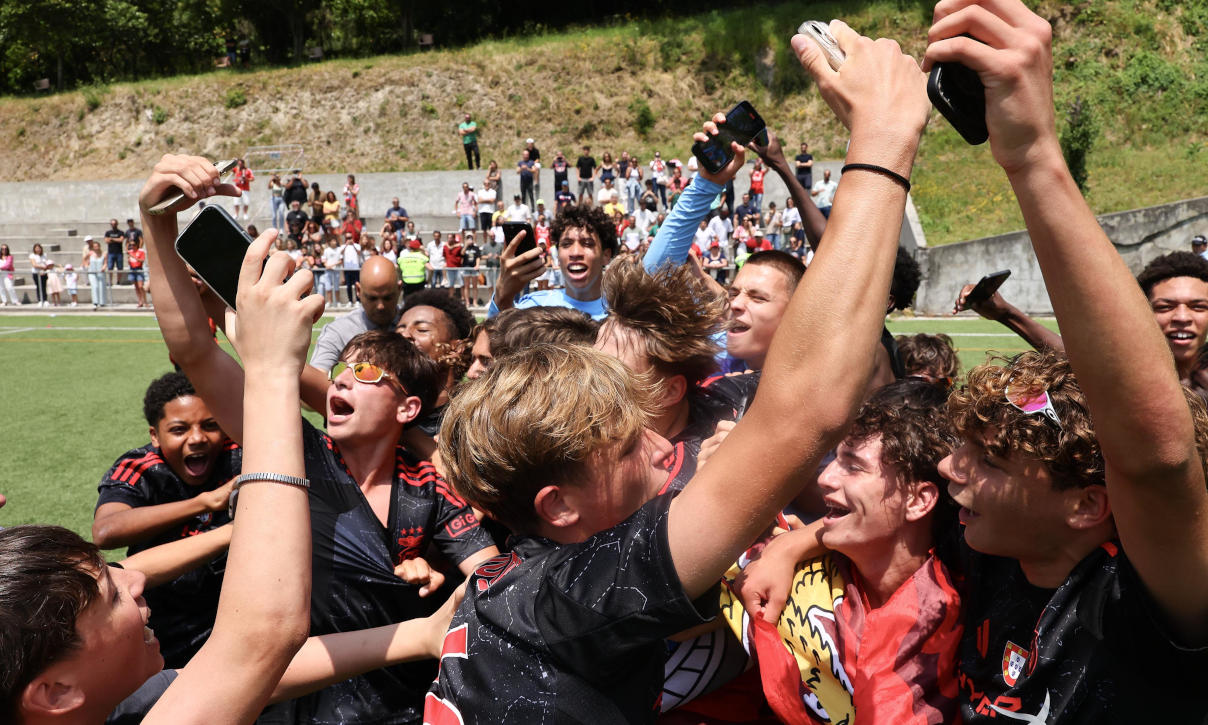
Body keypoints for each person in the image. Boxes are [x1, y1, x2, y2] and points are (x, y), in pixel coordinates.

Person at [425, 32, 932, 718]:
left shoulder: (502, 580)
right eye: (627, 441)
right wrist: (884, 140)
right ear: (559, 506)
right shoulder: (581, 592)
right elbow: (810, 405)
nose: (664, 449)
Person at [918, 1, 1208, 720]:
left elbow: (1156, 460)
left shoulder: (1141, 608)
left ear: (1087, 504)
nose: (951, 468)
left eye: (988, 459)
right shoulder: (983, 548)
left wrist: (1034, 157)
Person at [139, 155, 498, 725]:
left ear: (409, 407)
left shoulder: (431, 486)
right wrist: (156, 224)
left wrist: (447, 576)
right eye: (342, 371)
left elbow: (492, 571)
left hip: (406, 705)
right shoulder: (295, 452)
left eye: (370, 375)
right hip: (294, 704)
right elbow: (195, 352)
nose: (344, 381)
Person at [0, 208, 319, 724]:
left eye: (209, 425)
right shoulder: (139, 469)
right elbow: (260, 636)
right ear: (55, 693)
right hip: (182, 634)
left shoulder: (130, 699)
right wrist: (271, 369)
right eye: (110, 592)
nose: (135, 579)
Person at [92, 373, 241, 668]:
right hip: (164, 622)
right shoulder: (140, 467)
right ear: (155, 435)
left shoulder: (239, 456)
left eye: (210, 425)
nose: (197, 438)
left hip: (236, 615)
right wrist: (204, 502)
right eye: (179, 429)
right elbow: (106, 531)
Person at [488, 203, 618, 321]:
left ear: (606, 255)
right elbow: (493, 343)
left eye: (587, 243)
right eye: (566, 244)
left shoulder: (624, 313)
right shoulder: (534, 309)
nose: (575, 252)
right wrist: (502, 297)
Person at [310, 255, 403, 372]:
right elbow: (318, 374)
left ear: (399, 289)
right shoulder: (338, 331)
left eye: (387, 297)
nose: (380, 306)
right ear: (358, 290)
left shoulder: (414, 328)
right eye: (372, 298)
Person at [83, 236, 108, 308]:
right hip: (92, 272)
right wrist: (87, 265)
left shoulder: (104, 253)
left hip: (100, 272)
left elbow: (105, 263)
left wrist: (103, 268)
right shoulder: (90, 253)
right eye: (94, 246)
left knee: (101, 286)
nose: (96, 248)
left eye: (97, 246)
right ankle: (95, 302)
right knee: (95, 286)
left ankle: (102, 302)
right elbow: (85, 259)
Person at [461, 230, 482, 307]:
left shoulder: (476, 248)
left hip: (474, 269)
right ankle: (467, 302)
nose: (470, 239)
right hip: (466, 268)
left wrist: (477, 265)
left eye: (471, 238)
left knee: (475, 286)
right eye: (468, 238)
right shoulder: (464, 247)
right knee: (466, 286)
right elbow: (462, 254)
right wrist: (466, 245)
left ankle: (475, 302)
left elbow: (478, 257)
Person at [340, 232, 362, 305]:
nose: (349, 239)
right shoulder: (343, 246)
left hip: (355, 269)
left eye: (350, 238)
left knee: (357, 285)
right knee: (348, 285)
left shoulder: (357, 245)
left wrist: (353, 245)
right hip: (347, 269)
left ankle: (358, 300)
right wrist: (346, 245)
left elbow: (359, 253)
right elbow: (341, 254)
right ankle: (350, 301)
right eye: (347, 238)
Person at [127, 238, 148, 308]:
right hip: (132, 269)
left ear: (137, 245)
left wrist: (134, 257)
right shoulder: (130, 252)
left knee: (140, 286)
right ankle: (140, 301)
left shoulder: (141, 251)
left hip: (139, 269)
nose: (132, 246)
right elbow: (130, 261)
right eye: (131, 245)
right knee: (136, 287)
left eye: (133, 245)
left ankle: (145, 302)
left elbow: (142, 260)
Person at [104, 218, 126, 287]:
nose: (113, 225)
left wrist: (112, 239)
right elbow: (106, 241)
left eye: (114, 224)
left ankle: (119, 281)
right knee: (110, 268)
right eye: (112, 224)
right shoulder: (108, 233)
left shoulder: (121, 232)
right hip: (111, 253)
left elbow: (121, 240)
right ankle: (110, 281)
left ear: (117, 224)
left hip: (119, 252)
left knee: (120, 267)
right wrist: (117, 239)